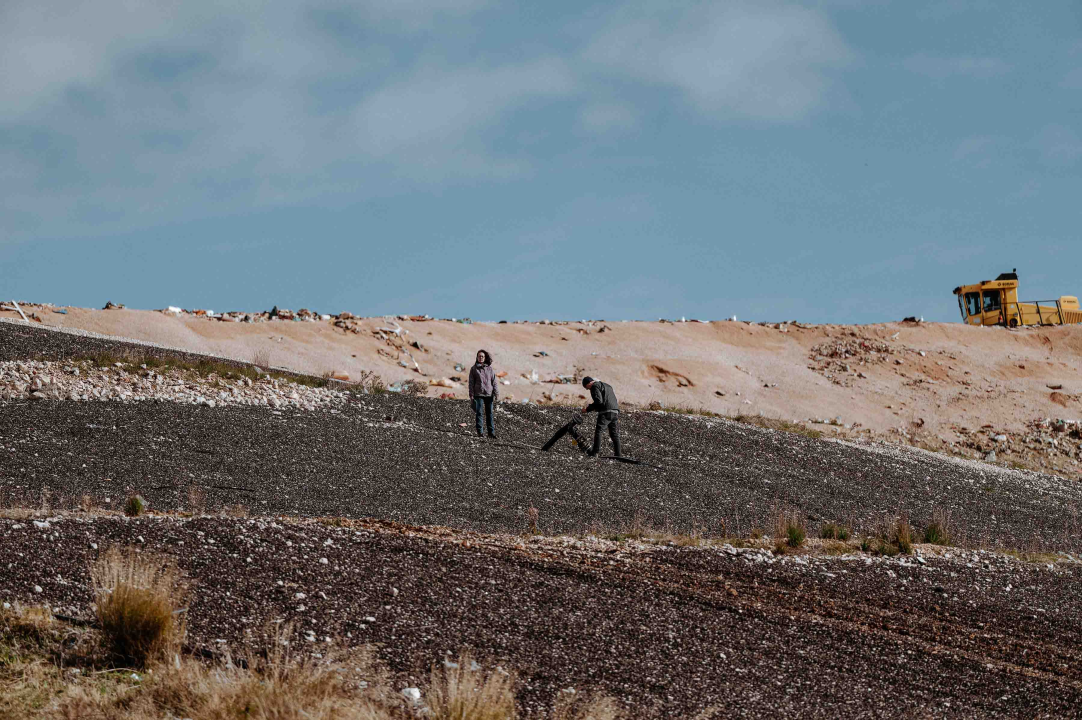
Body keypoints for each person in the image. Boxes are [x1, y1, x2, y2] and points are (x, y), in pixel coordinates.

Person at [581, 376, 621, 457]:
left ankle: (595, 452)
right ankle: (618, 455)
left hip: (606, 412)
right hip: (615, 411)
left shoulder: (595, 386)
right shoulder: (608, 386)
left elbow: (599, 401)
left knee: (599, 431)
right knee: (614, 434)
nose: (588, 389)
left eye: (586, 388)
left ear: (588, 383)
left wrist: (587, 409)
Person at [468, 349, 498, 438]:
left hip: (489, 394)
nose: (481, 358)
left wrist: (496, 393)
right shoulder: (473, 369)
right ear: (477, 357)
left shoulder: (490, 369)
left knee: (490, 414)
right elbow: (471, 382)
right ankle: (480, 432)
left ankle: (491, 433)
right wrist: (471, 394)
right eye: (479, 356)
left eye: (482, 356)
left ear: (485, 358)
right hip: (478, 394)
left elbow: (494, 381)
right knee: (479, 413)